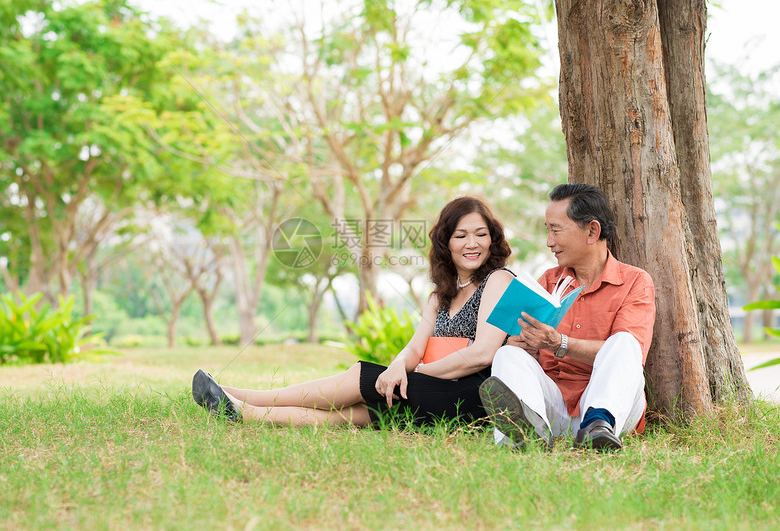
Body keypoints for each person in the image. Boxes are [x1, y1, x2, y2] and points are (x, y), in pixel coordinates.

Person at [193, 196, 514, 427]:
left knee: (363, 377)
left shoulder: (498, 281)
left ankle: (247, 395)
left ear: (492, 239)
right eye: (461, 236)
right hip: (434, 392)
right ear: (447, 243)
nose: (472, 243)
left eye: (481, 234)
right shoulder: (438, 297)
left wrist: (412, 374)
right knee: (351, 416)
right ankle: (244, 412)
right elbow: (416, 348)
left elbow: (482, 354)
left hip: (474, 395)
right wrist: (400, 365)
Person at [479, 183, 655, 451]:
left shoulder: (635, 282)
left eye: (556, 230)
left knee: (624, 342)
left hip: (613, 409)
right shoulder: (548, 281)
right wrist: (523, 347)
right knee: (507, 355)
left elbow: (629, 357)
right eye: (547, 230)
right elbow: (525, 351)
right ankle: (525, 435)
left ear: (592, 231)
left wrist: (558, 343)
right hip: (555, 407)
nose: (549, 242)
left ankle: (597, 427)